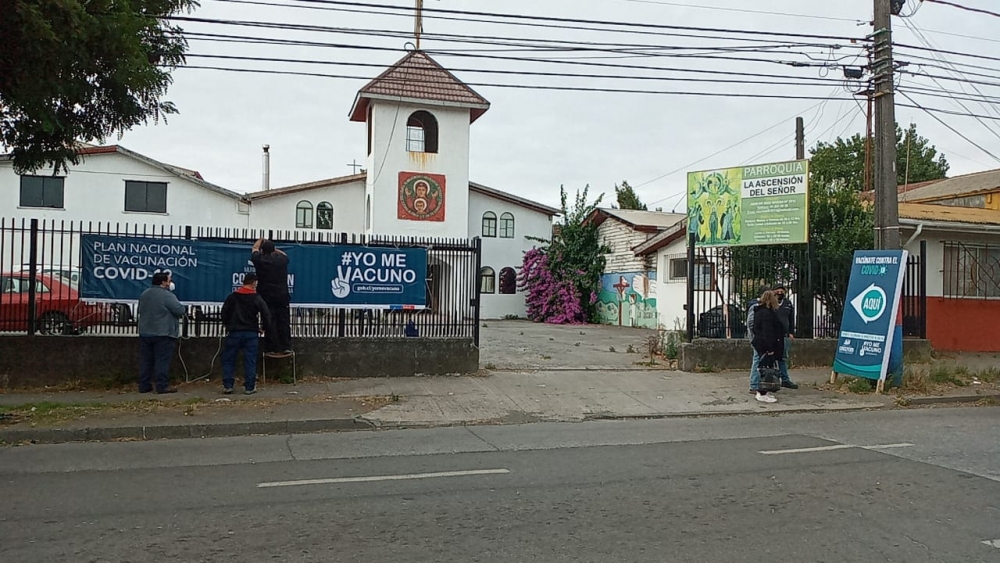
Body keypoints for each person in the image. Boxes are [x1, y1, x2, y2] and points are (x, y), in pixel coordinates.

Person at [220, 273, 271, 395]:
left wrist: (228, 325)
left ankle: (228, 385)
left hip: (234, 332)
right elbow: (266, 313)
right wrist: (264, 327)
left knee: (228, 359)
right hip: (251, 333)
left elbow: (224, 312)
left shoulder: (232, 297)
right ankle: (249, 386)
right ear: (254, 282)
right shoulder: (256, 297)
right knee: (250, 360)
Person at [137, 272, 186, 394]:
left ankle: (144, 385)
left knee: (146, 361)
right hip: (163, 333)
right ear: (163, 282)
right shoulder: (167, 295)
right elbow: (179, 310)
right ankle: (162, 385)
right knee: (162, 361)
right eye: (169, 281)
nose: (171, 283)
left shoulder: (145, 294)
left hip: (145, 332)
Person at [251, 237, 292, 357]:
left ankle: (271, 347)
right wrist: (275, 249)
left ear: (262, 251)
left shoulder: (259, 259)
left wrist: (260, 240)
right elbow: (284, 254)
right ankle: (286, 346)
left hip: (266, 295)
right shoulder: (281, 260)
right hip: (282, 295)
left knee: (269, 320)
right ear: (273, 250)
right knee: (283, 320)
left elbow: (254, 248)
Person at [751, 290, 785, 404]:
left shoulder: (759, 311)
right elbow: (768, 332)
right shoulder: (767, 313)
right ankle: (761, 392)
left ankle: (763, 389)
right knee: (765, 368)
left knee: (762, 366)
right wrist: (770, 348)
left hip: (760, 342)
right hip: (765, 344)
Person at [772, 283, 799, 389]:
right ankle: (773, 378)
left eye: (782, 291)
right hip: (773, 335)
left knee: (783, 358)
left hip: (784, 335)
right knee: (772, 358)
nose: (780, 293)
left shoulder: (787, 303)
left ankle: (785, 379)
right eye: (777, 291)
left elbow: (791, 318)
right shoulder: (771, 303)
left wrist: (791, 332)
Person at [746, 285, 768, 395]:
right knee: (757, 360)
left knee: (759, 360)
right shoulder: (755, 306)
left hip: (757, 338)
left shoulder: (761, 306)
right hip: (757, 339)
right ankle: (754, 385)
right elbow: (751, 323)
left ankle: (758, 383)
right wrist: (755, 337)